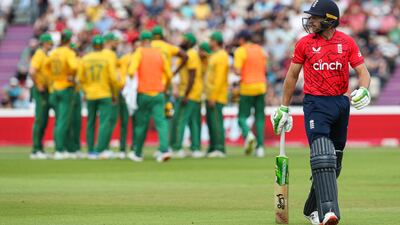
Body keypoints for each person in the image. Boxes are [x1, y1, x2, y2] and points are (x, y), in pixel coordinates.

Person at [270, 1, 371, 225]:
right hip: (316, 104)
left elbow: (363, 72)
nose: (311, 21)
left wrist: (364, 88)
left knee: (334, 162)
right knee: (323, 155)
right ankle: (328, 213)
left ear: (329, 20)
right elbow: (291, 76)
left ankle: (310, 208)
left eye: (315, 17)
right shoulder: (304, 44)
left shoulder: (346, 42)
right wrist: (284, 107)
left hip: (341, 104)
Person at [127, 31, 173, 163]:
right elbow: (169, 74)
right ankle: (164, 150)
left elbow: (131, 71)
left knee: (141, 124)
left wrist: (133, 82)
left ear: (141, 41)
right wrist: (164, 85)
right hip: (158, 93)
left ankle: (138, 153)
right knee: (162, 122)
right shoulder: (159, 53)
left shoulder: (139, 52)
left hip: (144, 93)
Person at [77, 35, 119, 160]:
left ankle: (90, 150)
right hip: (104, 93)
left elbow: (80, 79)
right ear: (102, 46)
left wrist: (84, 92)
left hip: (90, 94)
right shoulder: (106, 59)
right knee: (104, 122)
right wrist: (114, 94)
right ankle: (100, 149)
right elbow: (113, 79)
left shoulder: (85, 58)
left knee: (90, 122)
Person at [233, 30, 268, 158]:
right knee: (259, 117)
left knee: (242, 117)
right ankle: (260, 148)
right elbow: (265, 68)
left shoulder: (240, 51)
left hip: (247, 87)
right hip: (261, 86)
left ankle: (248, 135)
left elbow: (237, 70)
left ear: (242, 39)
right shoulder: (260, 50)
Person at [169, 33, 204, 159]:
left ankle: (178, 148)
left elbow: (192, 76)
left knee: (181, 120)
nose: (181, 41)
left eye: (184, 39)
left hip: (190, 93)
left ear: (189, 42)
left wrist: (186, 95)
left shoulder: (191, 54)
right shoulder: (190, 54)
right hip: (195, 93)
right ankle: (195, 148)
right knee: (193, 122)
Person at [47, 29, 78, 160]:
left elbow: (46, 66)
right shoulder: (68, 52)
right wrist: (71, 76)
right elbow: (74, 66)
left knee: (59, 120)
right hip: (66, 88)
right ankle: (59, 149)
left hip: (54, 89)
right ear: (69, 40)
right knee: (63, 121)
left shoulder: (54, 53)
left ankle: (61, 147)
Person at [205, 32, 229, 158]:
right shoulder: (215, 55)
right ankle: (213, 146)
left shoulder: (221, 56)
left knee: (216, 122)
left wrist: (213, 96)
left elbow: (219, 79)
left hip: (217, 96)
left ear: (215, 42)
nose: (209, 42)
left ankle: (219, 148)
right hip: (210, 95)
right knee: (211, 122)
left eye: (211, 40)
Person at [29, 33, 53, 159]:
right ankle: (36, 149)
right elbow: (32, 71)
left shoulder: (44, 55)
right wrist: (38, 84)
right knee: (40, 119)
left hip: (46, 89)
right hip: (41, 90)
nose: (51, 45)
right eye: (49, 43)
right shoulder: (39, 54)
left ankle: (40, 148)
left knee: (44, 119)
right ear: (44, 43)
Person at [101, 32, 119, 159]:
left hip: (95, 91)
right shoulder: (111, 55)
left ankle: (96, 148)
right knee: (108, 121)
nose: (116, 43)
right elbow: (113, 77)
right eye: (114, 41)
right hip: (107, 92)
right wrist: (115, 93)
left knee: (99, 121)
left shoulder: (99, 54)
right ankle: (103, 148)